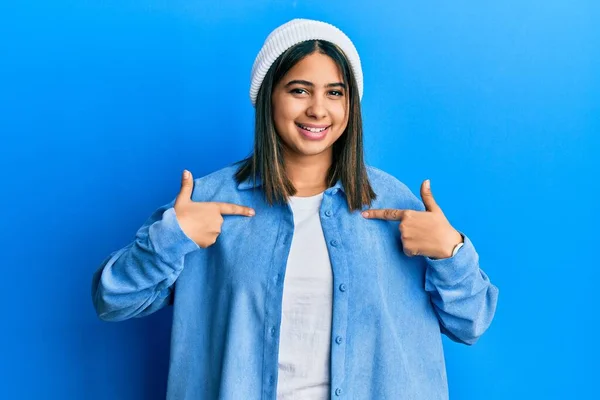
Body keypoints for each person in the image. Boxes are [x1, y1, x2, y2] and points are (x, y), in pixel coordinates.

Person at [92, 18, 499, 400]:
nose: (317, 109)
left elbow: (471, 322)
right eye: (299, 90)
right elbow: (113, 301)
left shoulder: (392, 204)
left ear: (350, 106)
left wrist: (451, 252)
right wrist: (171, 237)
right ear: (267, 96)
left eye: (334, 92)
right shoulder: (209, 200)